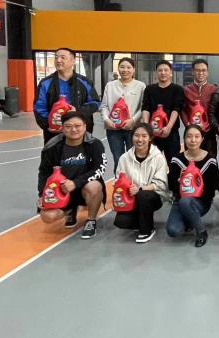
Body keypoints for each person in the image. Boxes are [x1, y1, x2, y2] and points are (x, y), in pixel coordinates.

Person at [36, 111, 106, 239]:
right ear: (62, 128)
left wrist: (75, 183)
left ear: (85, 126)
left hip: (84, 186)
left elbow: (99, 168)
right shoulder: (52, 146)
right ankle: (70, 210)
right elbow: (44, 172)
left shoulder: (94, 144)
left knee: (94, 186)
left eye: (77, 126)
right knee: (48, 216)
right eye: (68, 126)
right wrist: (41, 194)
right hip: (61, 190)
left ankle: (91, 220)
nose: (73, 130)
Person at [113, 123, 171, 243]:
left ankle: (147, 230)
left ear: (150, 138)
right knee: (121, 222)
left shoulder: (158, 157)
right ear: (132, 137)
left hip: (153, 196)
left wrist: (140, 189)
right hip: (131, 197)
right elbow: (118, 180)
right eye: (136, 135)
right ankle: (142, 220)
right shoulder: (124, 158)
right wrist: (125, 189)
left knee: (143, 196)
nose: (140, 139)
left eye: (144, 136)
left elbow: (161, 184)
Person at [34, 47, 100, 144]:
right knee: (53, 154)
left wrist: (77, 111)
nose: (58, 60)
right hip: (54, 133)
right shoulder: (45, 83)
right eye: (56, 57)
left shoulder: (85, 82)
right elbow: (39, 107)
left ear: (73, 61)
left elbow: (95, 102)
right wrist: (48, 125)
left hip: (80, 132)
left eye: (62, 57)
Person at [166, 125, 218, 248]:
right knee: (173, 230)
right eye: (189, 136)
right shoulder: (176, 159)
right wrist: (179, 182)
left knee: (186, 201)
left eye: (196, 136)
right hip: (180, 200)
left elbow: (212, 189)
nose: (193, 140)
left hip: (201, 202)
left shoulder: (210, 160)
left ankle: (201, 232)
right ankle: (190, 218)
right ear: (184, 139)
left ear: (202, 139)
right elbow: (171, 186)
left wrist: (196, 187)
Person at [100, 57, 146, 174]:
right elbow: (104, 106)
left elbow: (143, 107)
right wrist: (106, 119)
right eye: (122, 67)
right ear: (118, 69)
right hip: (113, 129)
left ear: (133, 70)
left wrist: (133, 120)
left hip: (133, 129)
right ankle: (119, 183)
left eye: (129, 67)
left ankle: (134, 183)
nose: (125, 70)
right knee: (118, 159)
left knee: (134, 158)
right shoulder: (110, 85)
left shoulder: (140, 86)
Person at [141, 60, 185, 163]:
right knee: (152, 162)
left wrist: (168, 127)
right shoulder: (149, 89)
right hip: (153, 133)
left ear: (171, 73)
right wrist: (147, 128)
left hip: (172, 133)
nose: (163, 72)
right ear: (156, 73)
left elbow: (176, 109)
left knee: (173, 163)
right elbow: (146, 108)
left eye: (166, 70)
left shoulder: (177, 89)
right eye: (160, 70)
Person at [181, 58, 219, 156]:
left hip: (209, 132)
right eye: (197, 70)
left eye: (203, 70)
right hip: (191, 132)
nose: (201, 73)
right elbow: (183, 109)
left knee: (210, 158)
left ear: (207, 72)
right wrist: (188, 124)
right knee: (190, 158)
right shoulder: (186, 90)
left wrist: (211, 124)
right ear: (192, 72)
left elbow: (217, 110)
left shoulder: (214, 89)